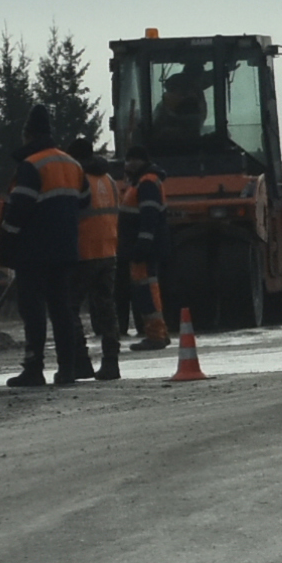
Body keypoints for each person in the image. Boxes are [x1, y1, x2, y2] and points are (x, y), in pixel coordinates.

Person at [0, 104, 87, 386]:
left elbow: (19, 209)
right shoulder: (72, 164)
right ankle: (67, 368)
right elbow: (84, 203)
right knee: (61, 310)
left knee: (33, 311)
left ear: (28, 135)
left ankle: (34, 368)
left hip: (33, 251)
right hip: (66, 248)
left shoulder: (31, 165)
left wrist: (5, 244)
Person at [70, 137, 123, 381]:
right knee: (107, 309)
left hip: (83, 252)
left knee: (69, 308)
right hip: (108, 251)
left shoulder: (78, 180)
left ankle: (81, 361)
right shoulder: (109, 180)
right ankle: (111, 362)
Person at [119, 141, 172, 352]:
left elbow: (149, 217)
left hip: (144, 249)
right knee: (147, 290)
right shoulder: (140, 182)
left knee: (146, 292)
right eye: (127, 159)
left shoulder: (147, 183)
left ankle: (156, 336)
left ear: (141, 161)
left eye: (132, 159)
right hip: (143, 246)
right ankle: (160, 334)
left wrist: (143, 244)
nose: (128, 163)